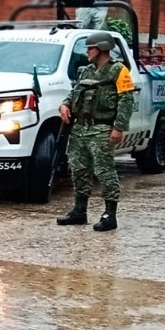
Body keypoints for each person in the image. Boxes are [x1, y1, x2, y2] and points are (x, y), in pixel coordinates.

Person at [56, 31, 136, 230]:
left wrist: (118, 127)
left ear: (101, 48)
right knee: (79, 169)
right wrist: (64, 105)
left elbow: (126, 101)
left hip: (102, 128)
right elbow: (75, 92)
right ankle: (79, 211)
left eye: (90, 48)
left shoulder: (119, 70)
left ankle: (110, 215)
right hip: (81, 127)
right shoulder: (86, 71)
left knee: (104, 171)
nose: (87, 52)